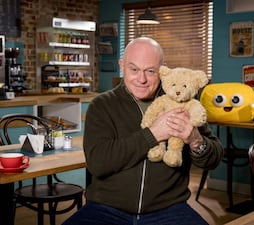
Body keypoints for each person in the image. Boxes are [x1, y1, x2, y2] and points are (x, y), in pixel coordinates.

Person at [62, 37, 224, 225]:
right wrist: (153, 134)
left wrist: (196, 140)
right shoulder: (102, 105)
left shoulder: (184, 103)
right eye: (134, 69)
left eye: (150, 71)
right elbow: (98, 163)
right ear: (122, 66)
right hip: (105, 208)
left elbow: (214, 158)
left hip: (169, 209)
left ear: (162, 71)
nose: (142, 79)